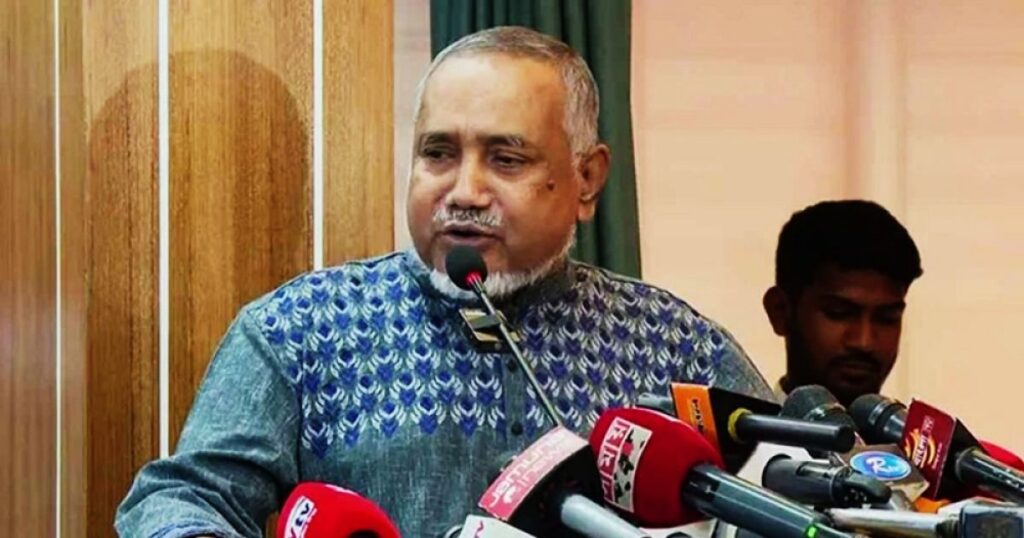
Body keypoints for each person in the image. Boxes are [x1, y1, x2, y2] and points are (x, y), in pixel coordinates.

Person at [117, 26, 773, 537]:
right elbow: (180, 499)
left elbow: (781, 491)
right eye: (438, 154)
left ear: (587, 179)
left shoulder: (676, 347)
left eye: (505, 158)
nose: (464, 192)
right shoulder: (300, 331)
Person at [762, 200, 923, 407]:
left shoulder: (923, 428)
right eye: (839, 313)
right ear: (780, 312)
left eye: (887, 319)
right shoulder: (732, 427)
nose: (864, 342)